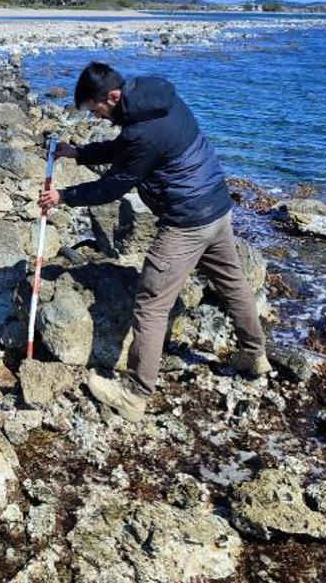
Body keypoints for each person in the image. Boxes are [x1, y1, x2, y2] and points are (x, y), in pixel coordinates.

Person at [38, 62, 269, 423]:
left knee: (151, 303)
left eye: (97, 110)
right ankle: (254, 354)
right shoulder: (151, 95)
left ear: (112, 96)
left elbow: (113, 186)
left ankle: (135, 394)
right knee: (233, 283)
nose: (98, 117)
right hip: (218, 205)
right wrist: (79, 153)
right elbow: (123, 149)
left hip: (186, 222)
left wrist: (63, 197)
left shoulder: (141, 133)